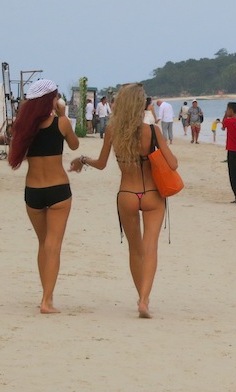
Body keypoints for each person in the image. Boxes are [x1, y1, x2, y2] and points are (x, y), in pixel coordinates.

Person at [70, 83, 178, 319]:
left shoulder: (112, 130)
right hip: (151, 194)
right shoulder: (152, 131)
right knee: (150, 247)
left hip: (126, 194)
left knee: (134, 249)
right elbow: (173, 164)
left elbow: (101, 163)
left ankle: (141, 295)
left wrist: (82, 159)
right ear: (141, 104)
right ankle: (144, 300)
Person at [8, 79, 79, 314]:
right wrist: (63, 113)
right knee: (54, 245)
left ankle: (45, 295)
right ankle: (47, 300)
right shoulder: (61, 123)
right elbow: (75, 144)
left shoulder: (23, 127)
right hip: (58, 189)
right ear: (52, 99)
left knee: (42, 243)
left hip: (33, 191)